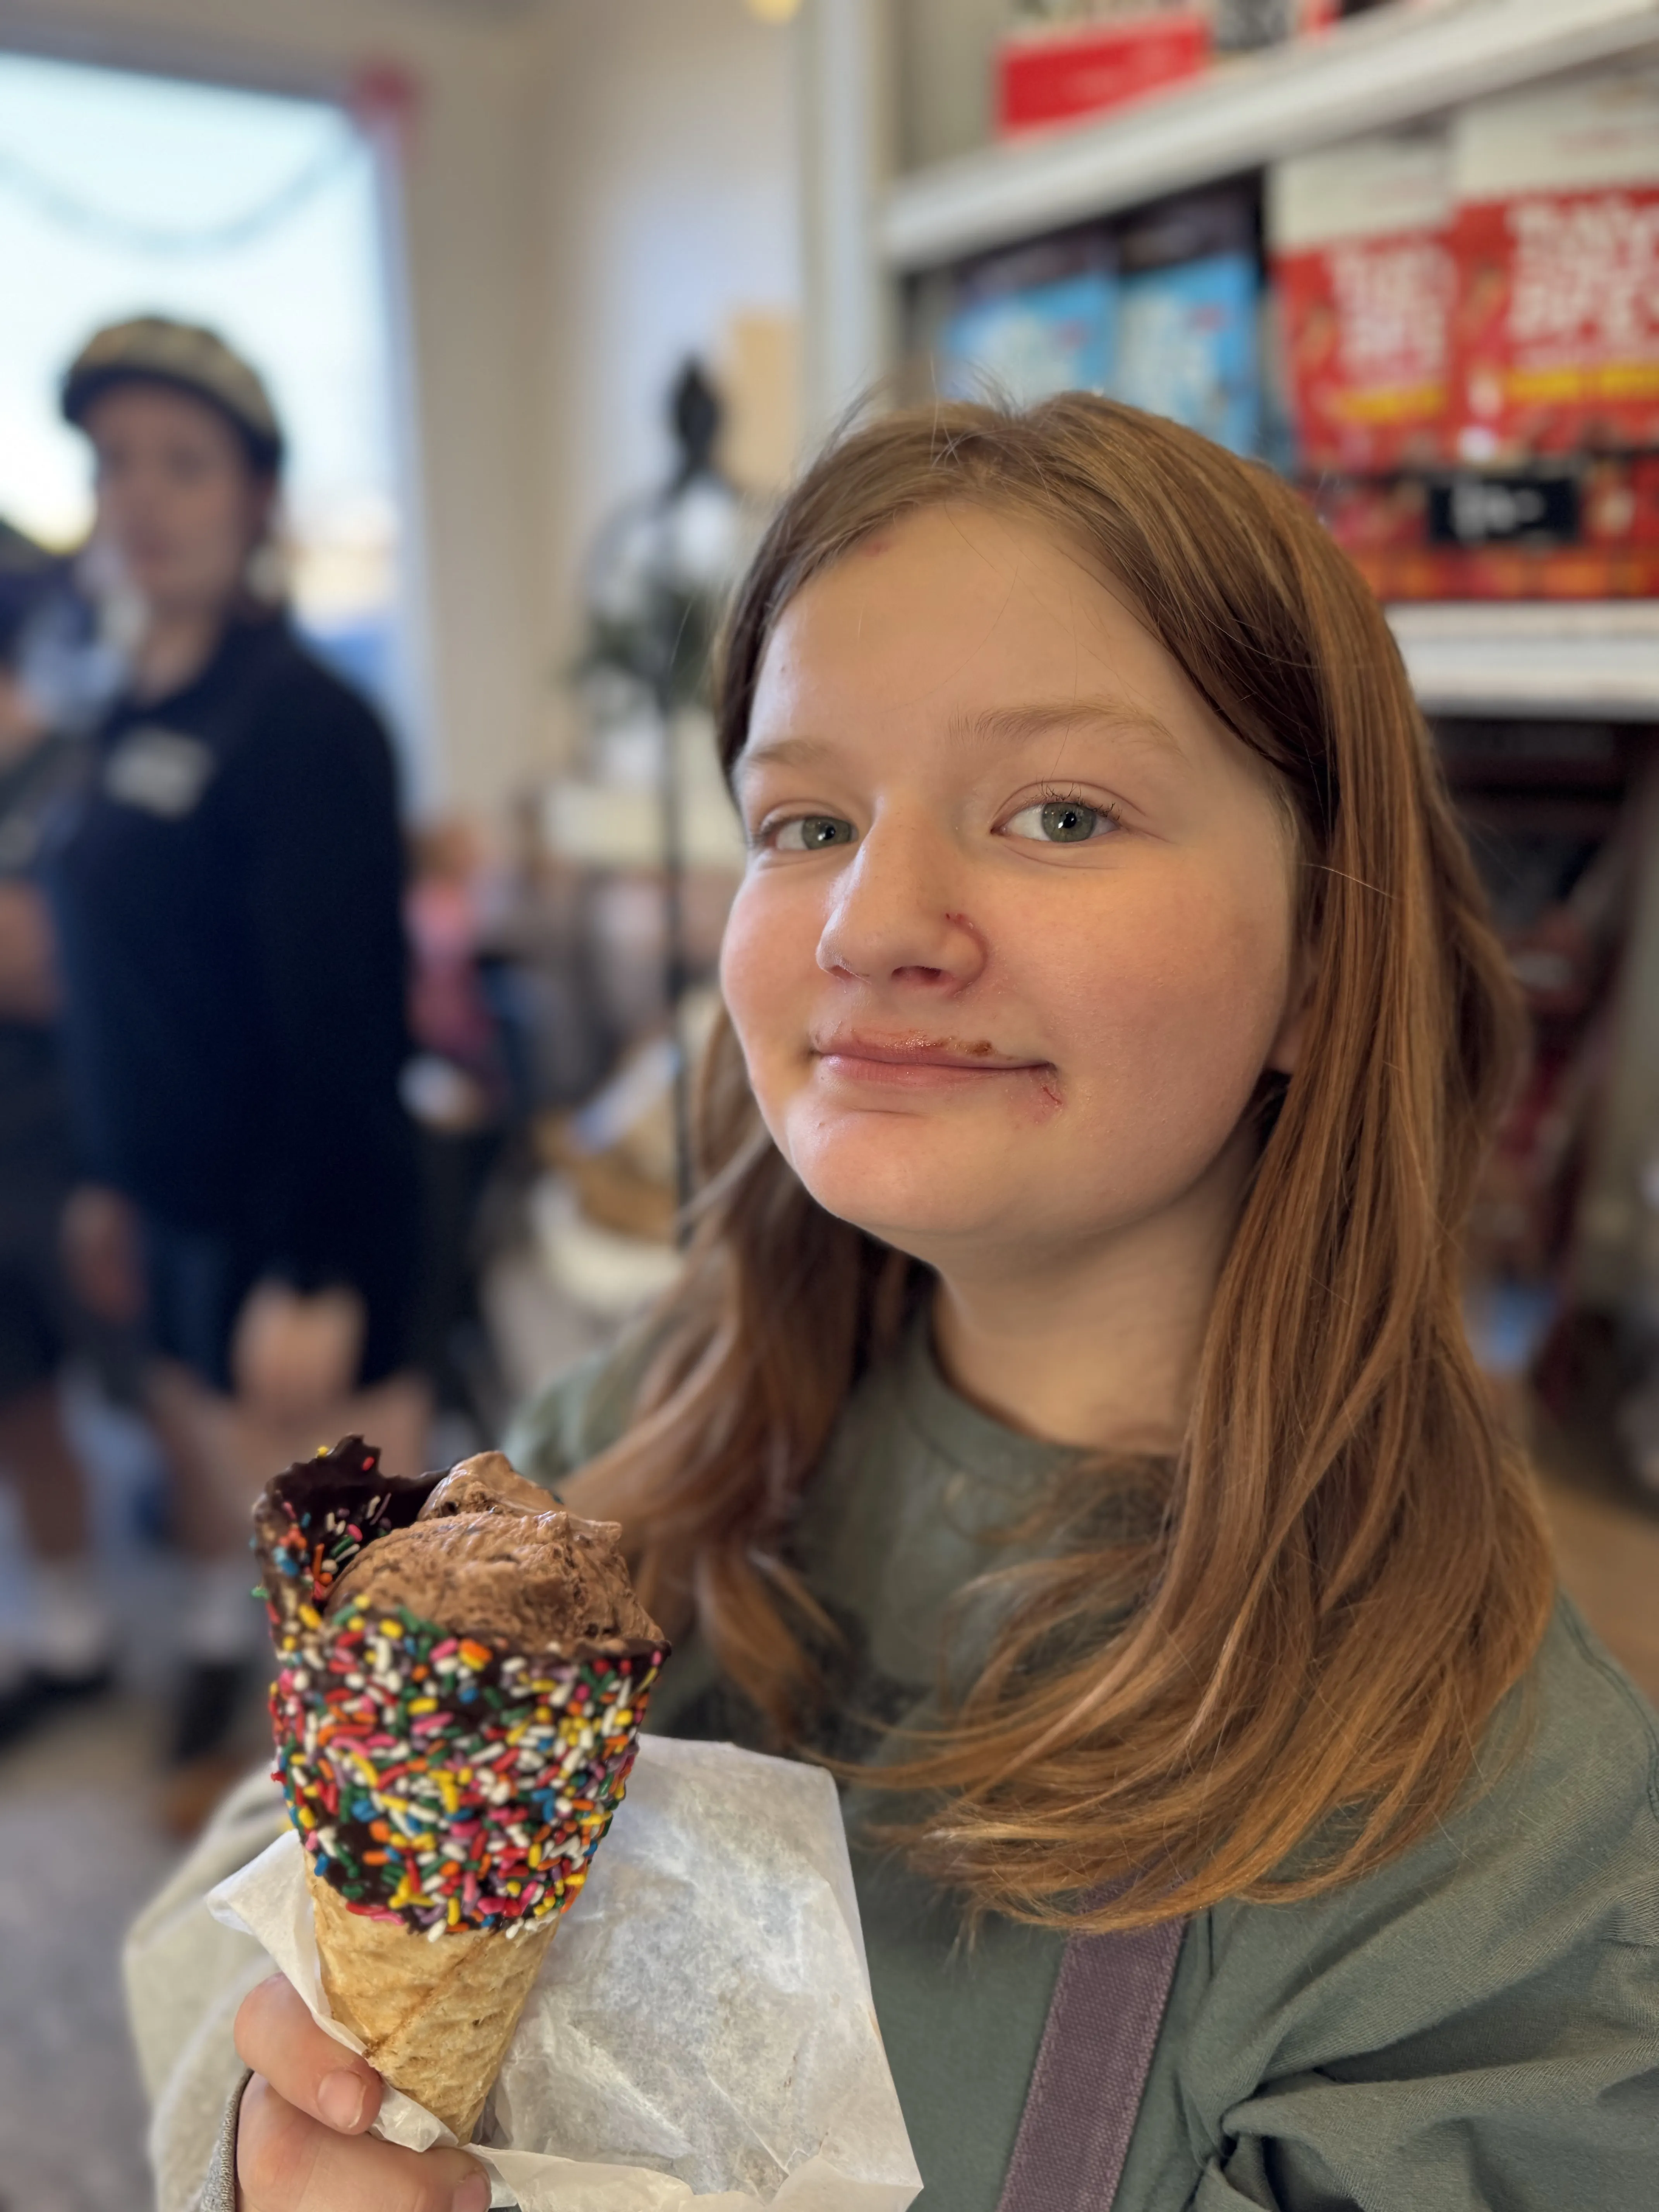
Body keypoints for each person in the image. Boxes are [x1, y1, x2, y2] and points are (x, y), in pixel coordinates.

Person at [135, 398, 1657, 2211]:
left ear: (1327, 959)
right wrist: (256, 2131)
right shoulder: (607, 1458)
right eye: (808, 818)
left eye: (1061, 811)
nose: (873, 919)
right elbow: (248, 1890)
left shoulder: (1500, 1850)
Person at [40, 318, 428, 1786]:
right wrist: (106, 1183)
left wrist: (316, 1269)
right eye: (115, 463)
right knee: (280, 1587)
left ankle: (399, 1960)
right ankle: (295, 1848)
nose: (139, 498)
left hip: (301, 1243)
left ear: (257, 497)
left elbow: (345, 1026)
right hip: (177, 1222)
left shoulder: (306, 724)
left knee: (357, 1630)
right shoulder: (129, 706)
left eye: (182, 466)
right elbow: (118, 988)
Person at [0, 527, 113, 1746]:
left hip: (73, 1141)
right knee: (18, 1402)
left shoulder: (73, 776)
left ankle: (206, 1634)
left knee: (156, 1398)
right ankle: (73, 1637)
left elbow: (43, 971)